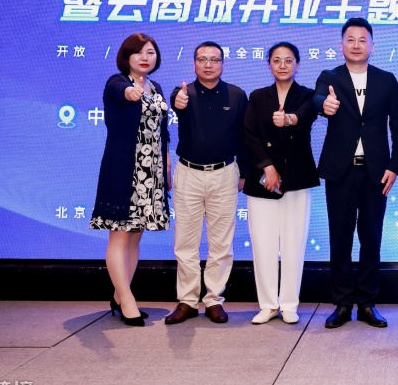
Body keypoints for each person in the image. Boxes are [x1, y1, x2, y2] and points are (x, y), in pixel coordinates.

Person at [313, 18, 398, 329]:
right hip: (340, 171)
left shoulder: (386, 80)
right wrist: (324, 104)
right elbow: (316, 99)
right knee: (340, 239)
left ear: (372, 46)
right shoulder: (330, 77)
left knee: (371, 238)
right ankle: (342, 303)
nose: (356, 45)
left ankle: (367, 303)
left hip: (376, 172)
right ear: (341, 45)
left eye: (362, 40)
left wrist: (394, 166)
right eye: (350, 39)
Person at [164, 41, 248, 325]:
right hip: (189, 172)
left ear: (223, 64)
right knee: (185, 242)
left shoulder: (237, 95)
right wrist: (177, 100)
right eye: (202, 59)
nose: (208, 64)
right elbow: (177, 101)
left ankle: (214, 300)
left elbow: (244, 137)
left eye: (214, 59)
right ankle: (187, 301)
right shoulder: (183, 93)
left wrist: (244, 173)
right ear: (194, 64)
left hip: (225, 173)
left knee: (221, 243)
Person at [90, 33, 170, 326]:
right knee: (120, 235)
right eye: (138, 53)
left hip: (152, 171)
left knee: (136, 234)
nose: (145, 58)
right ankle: (128, 300)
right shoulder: (117, 82)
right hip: (125, 169)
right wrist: (130, 92)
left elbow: (162, 131)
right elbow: (121, 92)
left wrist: (166, 165)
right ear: (126, 57)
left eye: (150, 52)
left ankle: (119, 294)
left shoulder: (156, 87)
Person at [244, 42, 319, 326]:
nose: (283, 65)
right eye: (277, 60)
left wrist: (288, 119)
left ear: (298, 64)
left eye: (289, 60)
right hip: (262, 180)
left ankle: (289, 304)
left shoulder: (308, 95)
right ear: (269, 65)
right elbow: (249, 135)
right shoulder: (257, 96)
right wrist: (268, 168)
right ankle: (268, 304)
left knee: (293, 243)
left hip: (296, 179)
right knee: (262, 244)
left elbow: (305, 117)